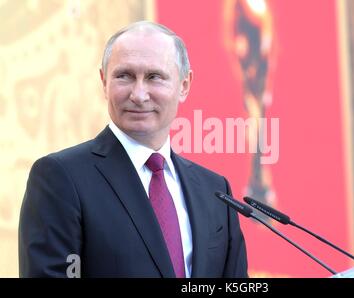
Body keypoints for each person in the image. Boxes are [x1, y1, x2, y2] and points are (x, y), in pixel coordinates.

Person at [18, 21, 248, 278]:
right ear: (104, 81)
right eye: (124, 76)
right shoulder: (60, 178)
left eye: (154, 77)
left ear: (184, 85)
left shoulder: (215, 191)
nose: (139, 94)